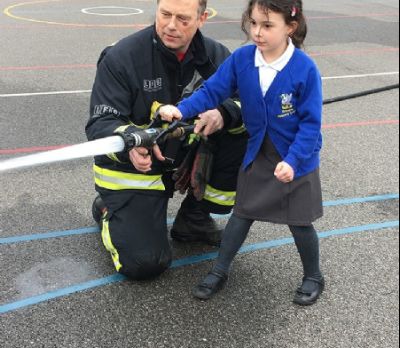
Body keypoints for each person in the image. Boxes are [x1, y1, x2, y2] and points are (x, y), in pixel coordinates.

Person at [159, 0, 325, 305]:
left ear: (291, 26)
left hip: (295, 158)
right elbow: (212, 91)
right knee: (242, 213)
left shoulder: (305, 70)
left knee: (299, 221)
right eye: (253, 23)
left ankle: (313, 276)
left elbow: (311, 125)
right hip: (258, 152)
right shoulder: (243, 59)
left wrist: (293, 160)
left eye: (267, 25)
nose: (257, 32)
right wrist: (180, 110)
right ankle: (220, 271)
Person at [85, 0, 248, 280]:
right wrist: (129, 145)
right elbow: (100, 123)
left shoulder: (218, 56)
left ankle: (194, 219)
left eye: (183, 18)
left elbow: (249, 102)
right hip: (136, 170)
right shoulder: (122, 56)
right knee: (144, 264)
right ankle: (105, 208)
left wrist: (225, 113)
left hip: (184, 156)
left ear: (202, 17)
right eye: (165, 14)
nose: (171, 25)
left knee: (244, 127)